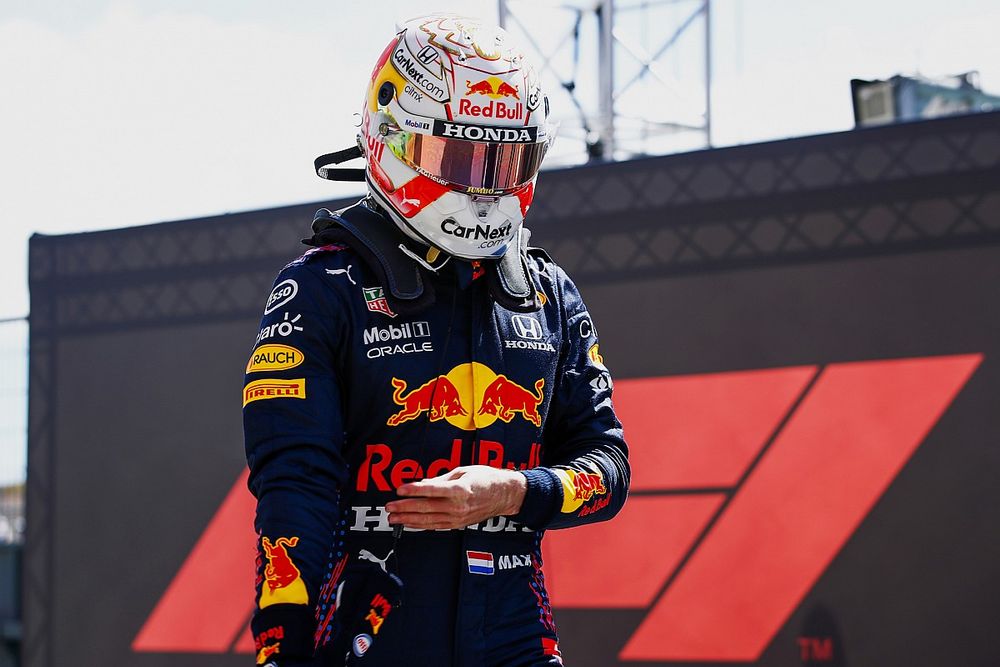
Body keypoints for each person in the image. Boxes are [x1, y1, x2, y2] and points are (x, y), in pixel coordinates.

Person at [243, 13, 630, 667]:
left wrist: (515, 490)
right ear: (392, 138)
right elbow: (294, 489)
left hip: (515, 641)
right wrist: (281, 647)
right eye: (458, 156)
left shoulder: (549, 293)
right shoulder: (320, 288)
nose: (482, 185)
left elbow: (609, 470)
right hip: (366, 637)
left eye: (503, 159)